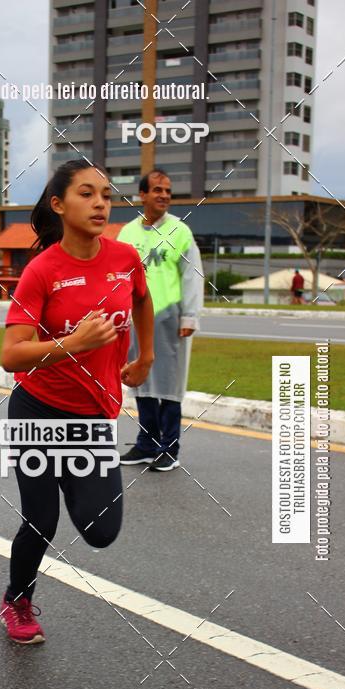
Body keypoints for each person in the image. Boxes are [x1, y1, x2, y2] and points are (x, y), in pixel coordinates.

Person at [0, 159, 155, 644]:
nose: (100, 203)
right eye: (86, 194)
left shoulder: (124, 258)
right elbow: (11, 354)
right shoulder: (41, 272)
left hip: (90, 419)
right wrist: (74, 344)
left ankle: (70, 475)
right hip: (38, 410)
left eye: (106, 195)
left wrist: (146, 355)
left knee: (100, 531)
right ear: (58, 205)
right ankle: (17, 602)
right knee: (41, 519)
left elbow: (142, 301)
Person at [117, 170, 204, 471]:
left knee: (168, 384)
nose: (164, 195)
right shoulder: (127, 234)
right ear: (142, 195)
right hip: (135, 319)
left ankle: (170, 448)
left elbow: (192, 276)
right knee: (140, 381)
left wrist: (190, 315)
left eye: (168, 190)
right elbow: (118, 277)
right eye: (157, 189)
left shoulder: (181, 231)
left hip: (170, 317)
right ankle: (145, 444)